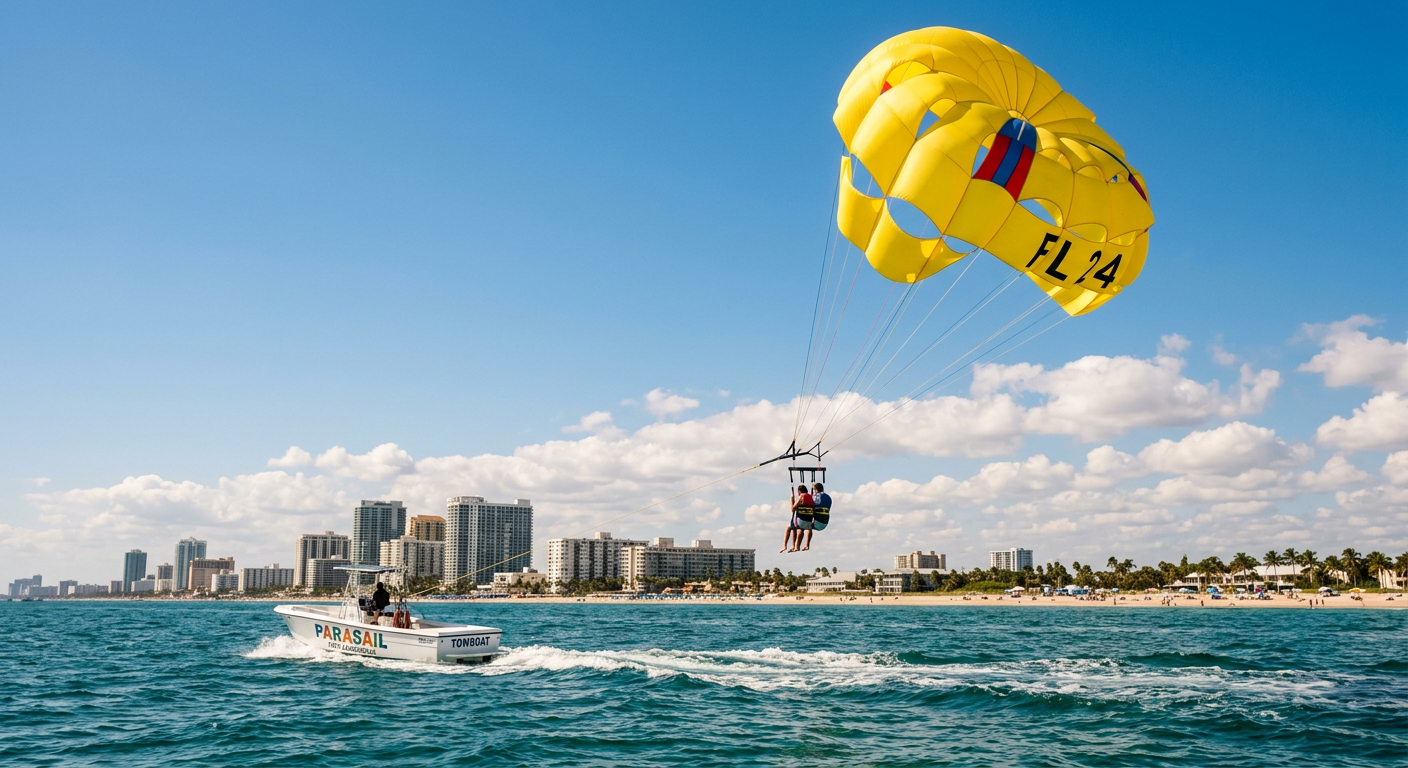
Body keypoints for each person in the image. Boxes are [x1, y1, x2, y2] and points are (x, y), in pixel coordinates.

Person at [798, 482, 832, 552]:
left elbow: (811, 506)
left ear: (815, 490)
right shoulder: (829, 497)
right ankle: (804, 545)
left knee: (806, 526)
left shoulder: (815, 496)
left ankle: (805, 545)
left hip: (819, 523)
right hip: (825, 522)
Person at [780, 484, 813, 553]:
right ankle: (794, 546)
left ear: (799, 491)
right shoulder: (811, 497)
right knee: (794, 528)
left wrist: (791, 500)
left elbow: (793, 509)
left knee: (789, 528)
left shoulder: (801, 496)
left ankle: (785, 545)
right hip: (808, 521)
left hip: (800, 520)